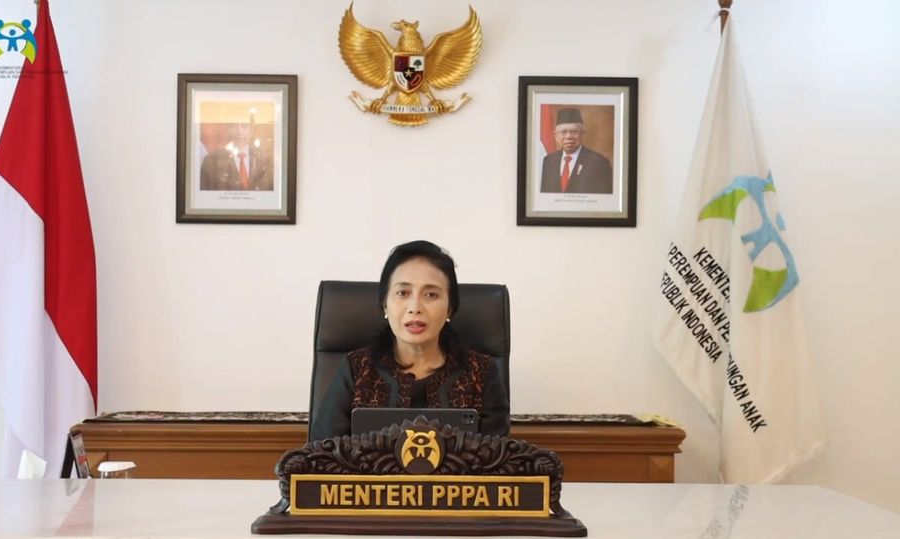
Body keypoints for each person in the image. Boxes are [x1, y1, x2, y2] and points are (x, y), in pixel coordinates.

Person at [309, 240, 510, 440]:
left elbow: (497, 455)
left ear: (450, 308)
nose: (415, 307)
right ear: (385, 305)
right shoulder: (357, 369)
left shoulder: (481, 373)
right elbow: (321, 451)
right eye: (403, 293)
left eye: (431, 294)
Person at [540, 107, 614, 194]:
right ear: (556, 136)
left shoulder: (599, 162)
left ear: (582, 134)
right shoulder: (548, 161)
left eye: (574, 131)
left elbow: (604, 198)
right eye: (563, 132)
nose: (568, 136)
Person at [199, 122, 272, 191]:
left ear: (252, 129)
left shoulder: (266, 160)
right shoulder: (211, 161)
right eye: (233, 126)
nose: (239, 132)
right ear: (228, 129)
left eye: (245, 126)